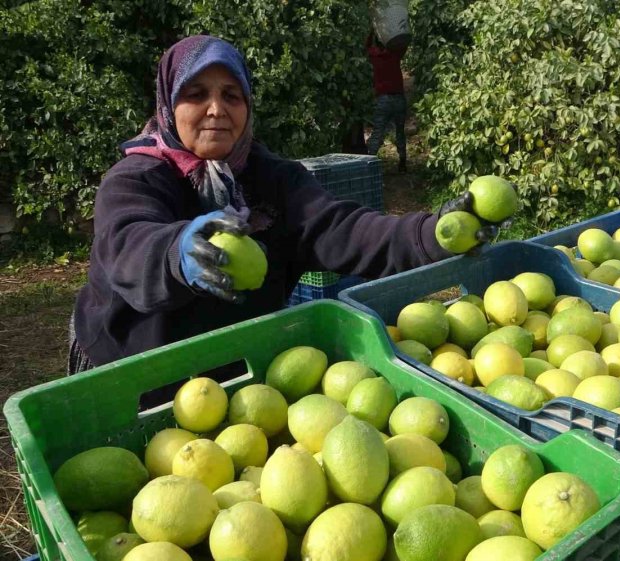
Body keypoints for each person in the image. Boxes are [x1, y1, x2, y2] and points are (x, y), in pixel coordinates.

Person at [69, 35, 498, 399]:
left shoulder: (273, 180)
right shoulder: (136, 178)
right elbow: (127, 244)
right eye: (196, 94)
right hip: (133, 375)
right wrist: (180, 252)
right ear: (168, 102)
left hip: (236, 378)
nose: (217, 109)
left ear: (248, 106)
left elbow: (345, 230)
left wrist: (434, 234)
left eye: (231, 95)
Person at [365, 31, 408, 172]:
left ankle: (369, 162)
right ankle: (402, 162)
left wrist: (371, 30)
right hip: (399, 98)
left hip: (382, 100)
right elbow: (404, 44)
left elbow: (365, 47)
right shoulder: (394, 55)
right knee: (400, 131)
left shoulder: (374, 56)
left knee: (378, 131)